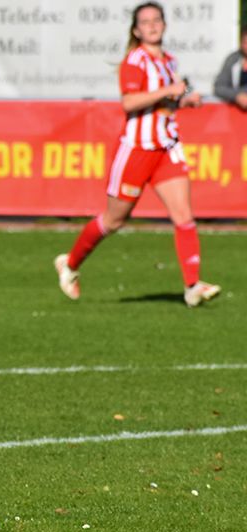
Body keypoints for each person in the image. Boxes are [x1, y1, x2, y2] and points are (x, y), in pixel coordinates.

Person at [54, 2, 220, 308]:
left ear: (164, 25)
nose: (152, 25)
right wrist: (169, 91)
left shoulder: (168, 60)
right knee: (114, 220)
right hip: (137, 150)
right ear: (136, 29)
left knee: (184, 216)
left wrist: (184, 102)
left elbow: (162, 104)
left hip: (166, 147)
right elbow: (129, 103)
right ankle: (71, 263)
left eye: (157, 20)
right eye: (146, 22)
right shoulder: (135, 60)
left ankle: (192, 286)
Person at [213, 28, 247, 111]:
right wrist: (237, 96)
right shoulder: (232, 59)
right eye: (245, 42)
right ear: (240, 43)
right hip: (234, 113)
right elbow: (219, 87)